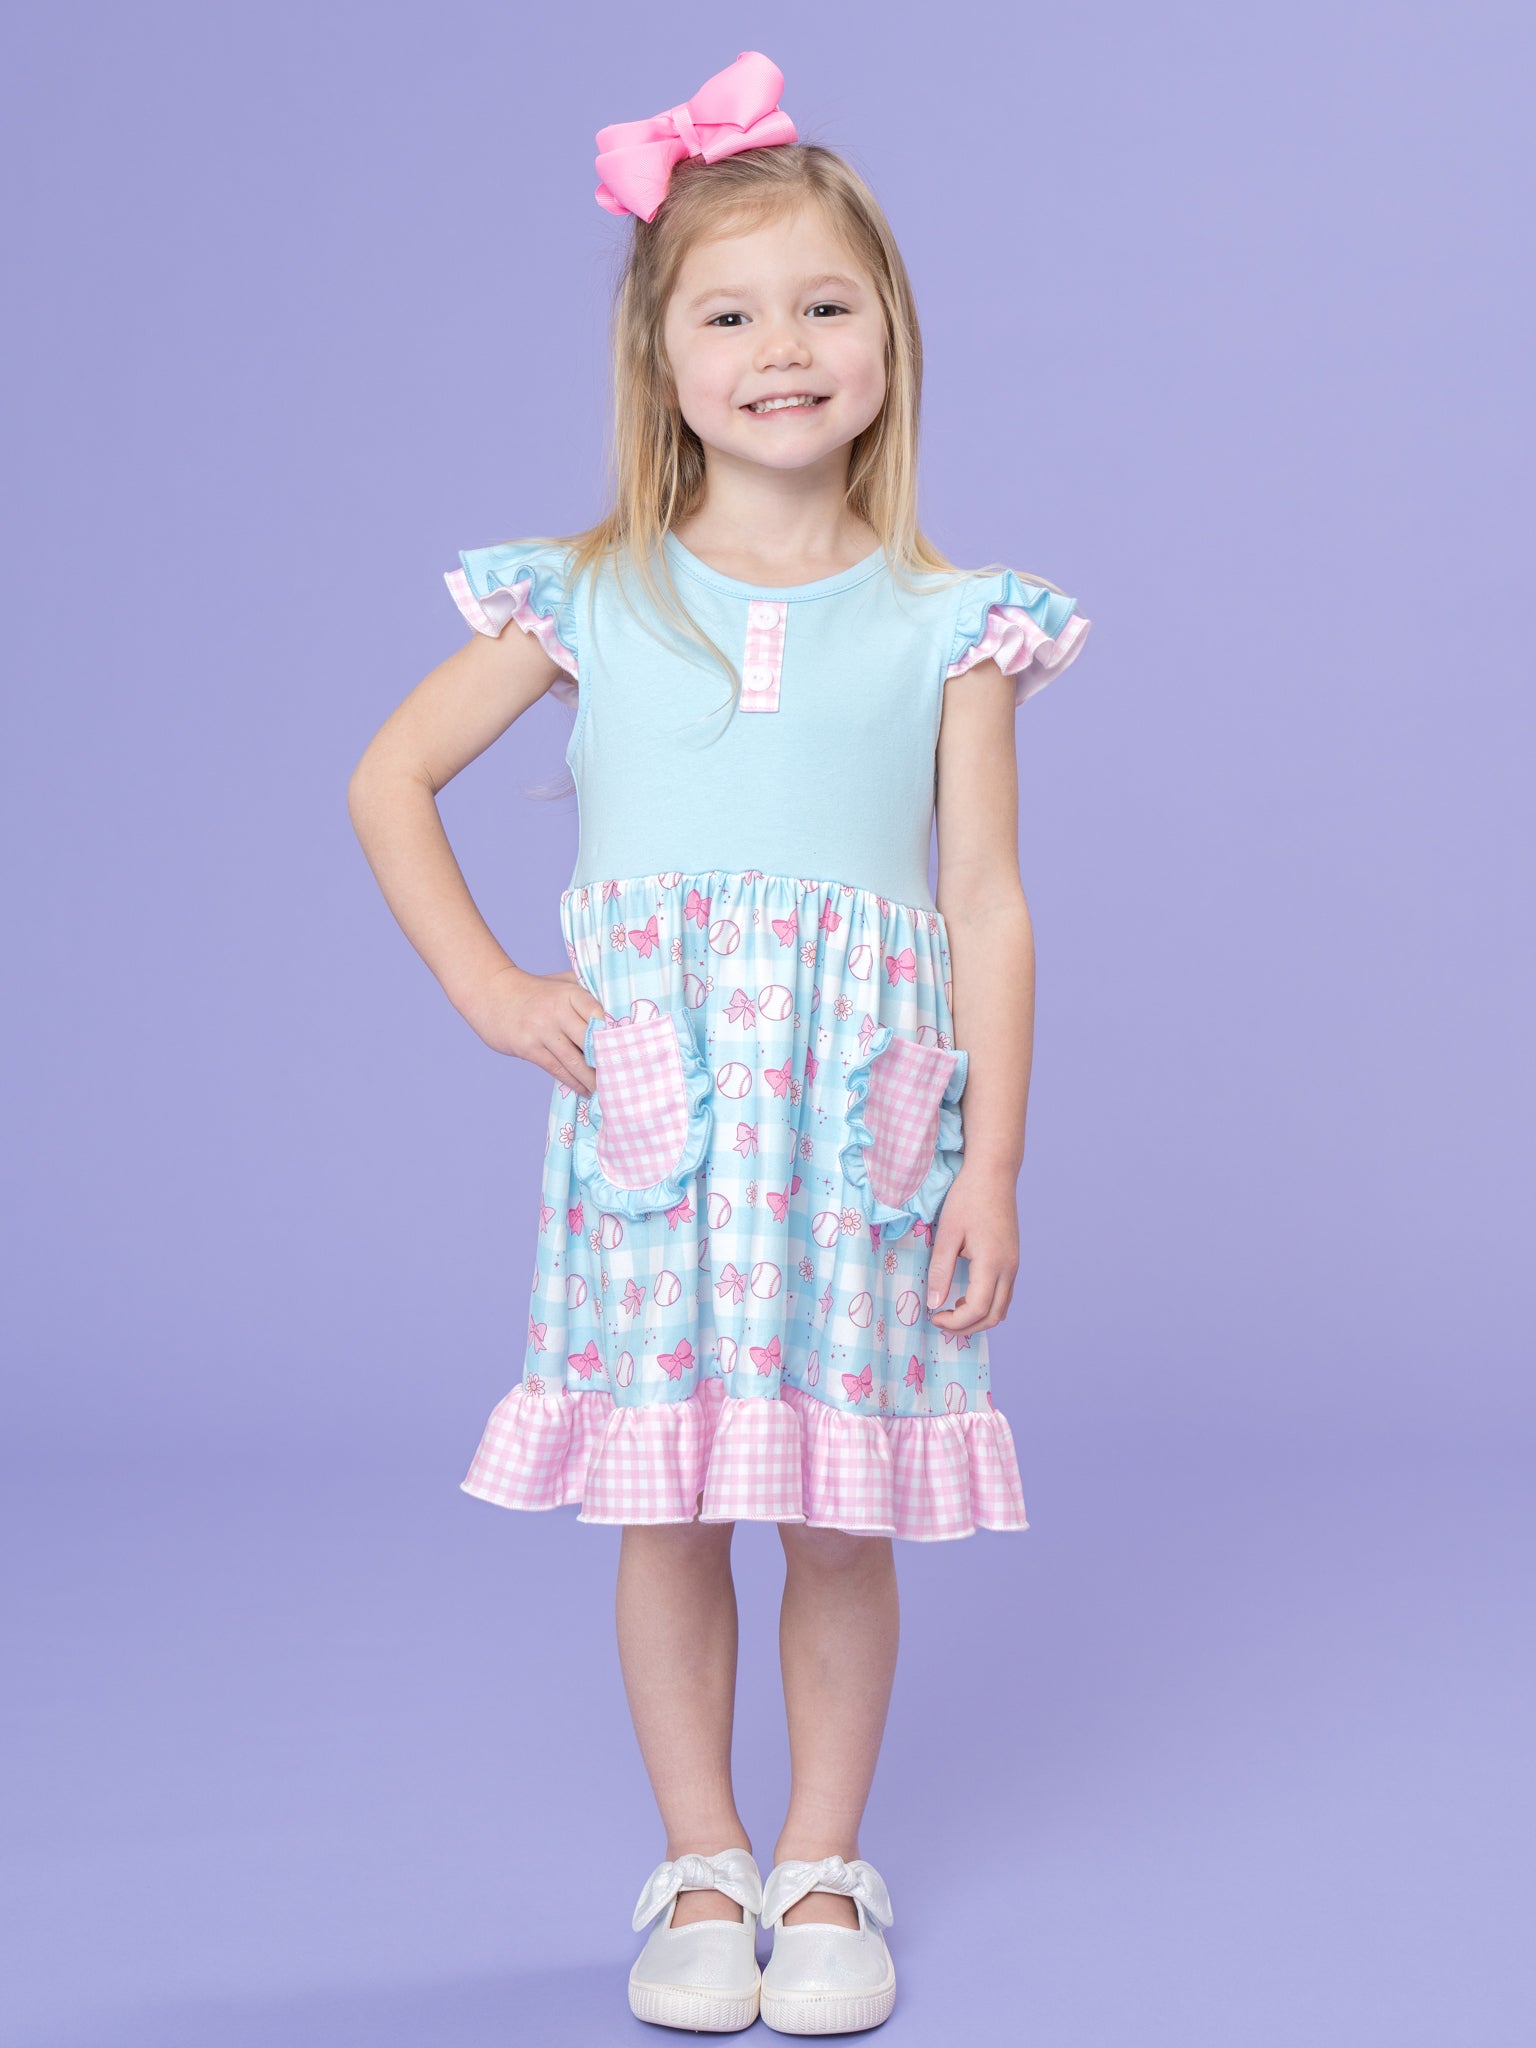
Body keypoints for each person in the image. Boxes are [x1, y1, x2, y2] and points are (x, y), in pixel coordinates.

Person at [347, 51, 1091, 2037]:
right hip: (660, 1144)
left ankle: (825, 1860)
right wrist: (496, 990)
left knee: (842, 1515)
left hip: (859, 1144)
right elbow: (388, 779)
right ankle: (699, 1856)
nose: (783, 351)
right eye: (732, 315)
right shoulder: (588, 598)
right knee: (665, 1503)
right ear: (660, 359)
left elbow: (987, 901)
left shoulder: (954, 621)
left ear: (891, 338)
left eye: (825, 306)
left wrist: (994, 1159)